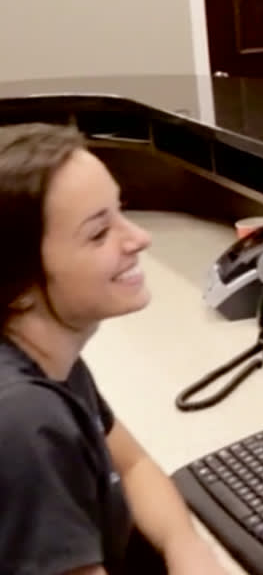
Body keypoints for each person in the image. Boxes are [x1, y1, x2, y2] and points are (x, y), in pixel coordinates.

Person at [0, 123, 228, 575]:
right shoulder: (22, 419)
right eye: (99, 233)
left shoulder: (49, 352)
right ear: (20, 282)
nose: (139, 237)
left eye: (120, 211)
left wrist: (188, 549)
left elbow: (133, 462)